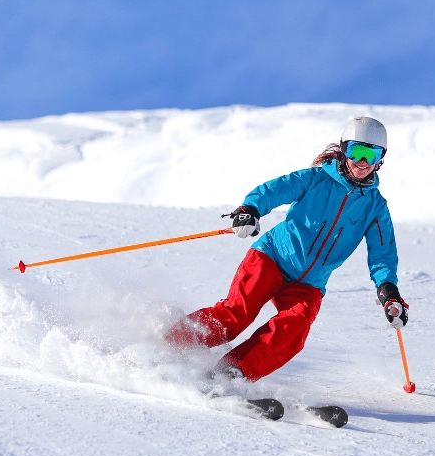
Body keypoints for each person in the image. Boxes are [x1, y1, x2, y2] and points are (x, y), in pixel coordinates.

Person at [164, 116, 408, 381]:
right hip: (272, 257)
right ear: (343, 149)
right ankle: (170, 343)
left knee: (294, 328)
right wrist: (250, 209)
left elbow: (382, 252)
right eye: (356, 151)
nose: (362, 162)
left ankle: (230, 374)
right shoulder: (315, 179)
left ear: (380, 159)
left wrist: (388, 290)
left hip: (309, 283)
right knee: (236, 315)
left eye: (370, 155)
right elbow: (274, 190)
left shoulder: (375, 206)